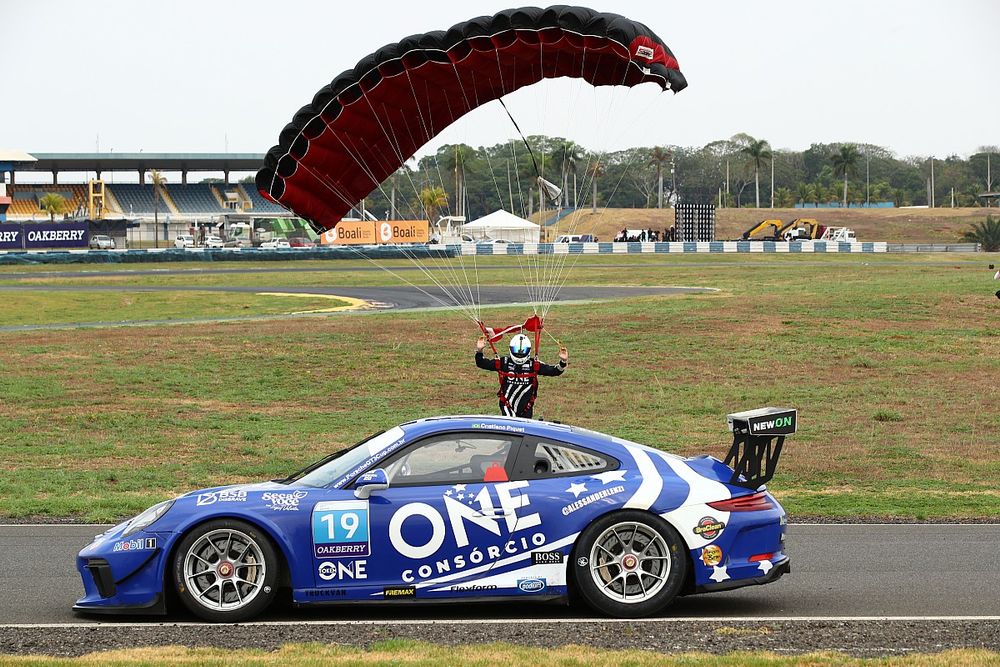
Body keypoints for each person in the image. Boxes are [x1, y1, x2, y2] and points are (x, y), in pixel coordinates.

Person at [475, 333, 568, 418]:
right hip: (507, 405)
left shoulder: (533, 365)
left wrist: (563, 361)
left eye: (523, 351)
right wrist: (479, 350)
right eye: (516, 350)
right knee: (510, 429)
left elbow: (554, 371)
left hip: (526, 408)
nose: (519, 354)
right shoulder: (504, 362)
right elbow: (482, 363)